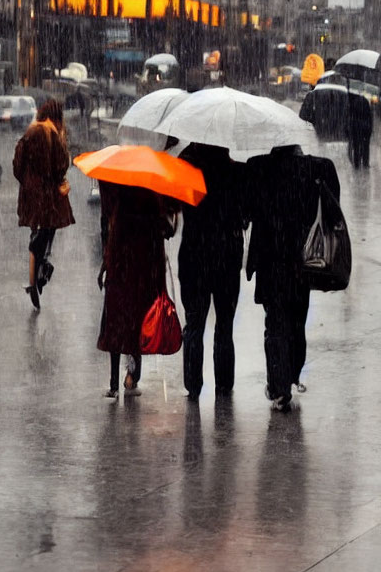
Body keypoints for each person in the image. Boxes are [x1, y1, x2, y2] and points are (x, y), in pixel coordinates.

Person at [246, 145, 340, 410]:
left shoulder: (260, 168)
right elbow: (332, 207)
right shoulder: (315, 169)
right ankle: (289, 376)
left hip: (270, 261)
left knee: (275, 324)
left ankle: (278, 386)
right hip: (301, 262)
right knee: (297, 321)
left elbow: (248, 211)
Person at [177, 143, 249, 401]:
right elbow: (246, 212)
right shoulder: (236, 171)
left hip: (194, 255)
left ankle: (193, 384)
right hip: (226, 256)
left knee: (194, 323)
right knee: (224, 324)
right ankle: (224, 383)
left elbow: (174, 206)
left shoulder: (187, 166)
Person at [97, 183, 177, 397]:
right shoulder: (152, 196)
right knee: (136, 322)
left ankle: (114, 383)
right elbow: (167, 229)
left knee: (115, 324)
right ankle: (131, 378)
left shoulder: (118, 198)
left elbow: (110, 234)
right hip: (143, 269)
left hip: (119, 269)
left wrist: (105, 266)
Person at [13, 99, 74, 309]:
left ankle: (38, 267)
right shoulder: (52, 135)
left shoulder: (29, 133)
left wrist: (28, 183)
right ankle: (43, 266)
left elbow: (17, 165)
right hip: (48, 196)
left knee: (37, 228)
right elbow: (61, 165)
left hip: (30, 195)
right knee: (49, 230)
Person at [345, 91, 372, 168]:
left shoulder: (352, 103)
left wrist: (347, 130)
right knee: (366, 146)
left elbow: (349, 117)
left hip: (356, 128)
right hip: (366, 127)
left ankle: (357, 165)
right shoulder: (365, 101)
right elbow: (369, 116)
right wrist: (370, 128)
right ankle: (365, 163)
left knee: (356, 146)